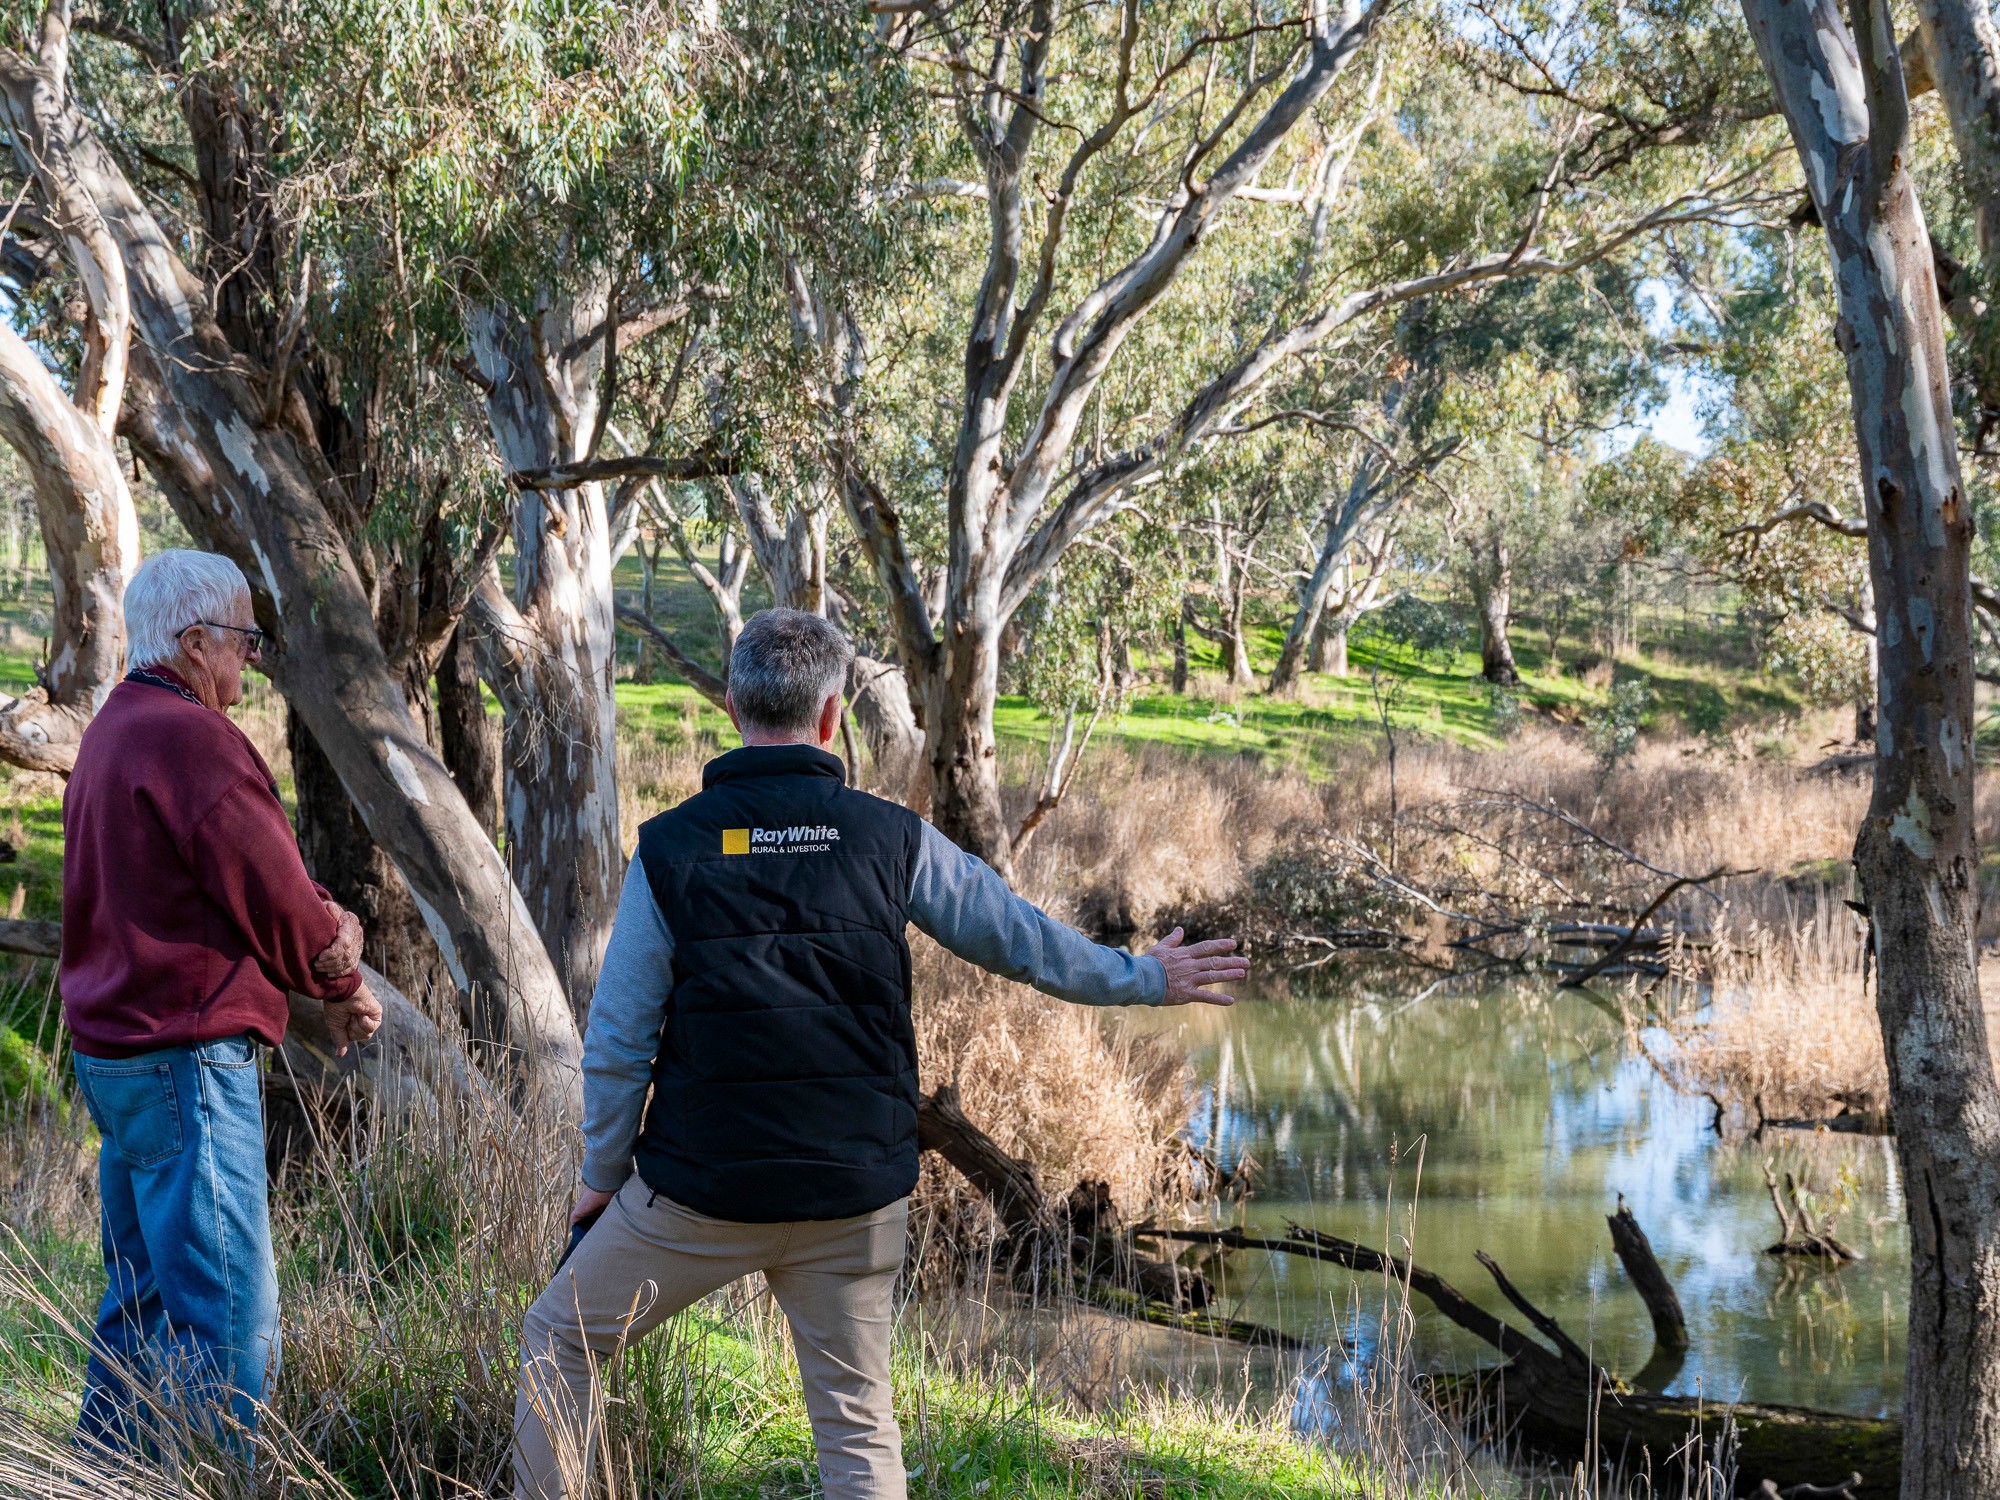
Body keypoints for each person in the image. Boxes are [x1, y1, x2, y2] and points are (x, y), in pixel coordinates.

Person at [513, 608, 1247, 1500]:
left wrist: (602, 1175)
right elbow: (1021, 943)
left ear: (735, 708)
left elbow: (620, 1043)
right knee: (856, 1425)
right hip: (854, 1196)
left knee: (560, 1338)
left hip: (699, 1195)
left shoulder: (671, 850)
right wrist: (1145, 978)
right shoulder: (891, 839)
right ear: (831, 719)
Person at [60, 549, 384, 1447]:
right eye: (242, 640)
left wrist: (319, 927)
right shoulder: (193, 741)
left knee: (144, 1301)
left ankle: (108, 1471)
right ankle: (215, 1474)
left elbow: (218, 879)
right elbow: (277, 894)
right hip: (182, 1059)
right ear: (194, 642)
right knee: (230, 1316)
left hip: (114, 1056)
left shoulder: (113, 730)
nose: (249, 658)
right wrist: (343, 980)